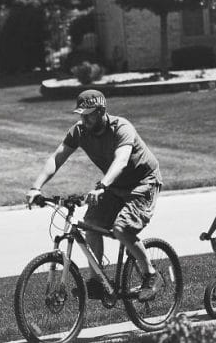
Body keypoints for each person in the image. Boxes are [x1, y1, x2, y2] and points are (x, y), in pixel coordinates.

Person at [26, 89, 162, 301]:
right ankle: (97, 281)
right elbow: (57, 158)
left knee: (121, 228)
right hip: (114, 185)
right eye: (81, 114)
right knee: (91, 223)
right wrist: (36, 187)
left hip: (142, 182)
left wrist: (102, 186)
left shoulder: (121, 127)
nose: (84, 118)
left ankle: (151, 275)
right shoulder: (79, 131)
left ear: (102, 111)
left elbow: (121, 160)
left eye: (89, 114)